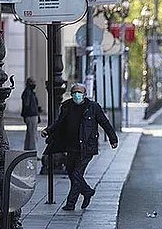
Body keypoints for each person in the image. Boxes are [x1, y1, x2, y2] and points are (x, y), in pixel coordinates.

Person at [41, 83, 118, 211]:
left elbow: (105, 123)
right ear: (71, 94)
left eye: (80, 92)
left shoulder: (93, 107)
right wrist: (48, 130)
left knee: (77, 174)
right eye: (75, 92)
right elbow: (59, 123)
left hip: (87, 147)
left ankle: (71, 203)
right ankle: (87, 192)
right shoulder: (66, 106)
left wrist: (113, 139)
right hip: (71, 147)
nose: (77, 95)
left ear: (85, 94)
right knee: (72, 174)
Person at [21, 77, 41, 151]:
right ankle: (33, 151)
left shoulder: (29, 92)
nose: (35, 84)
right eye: (33, 82)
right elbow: (27, 105)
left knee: (30, 134)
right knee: (33, 134)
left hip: (31, 115)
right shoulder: (28, 93)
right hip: (31, 115)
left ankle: (28, 149)